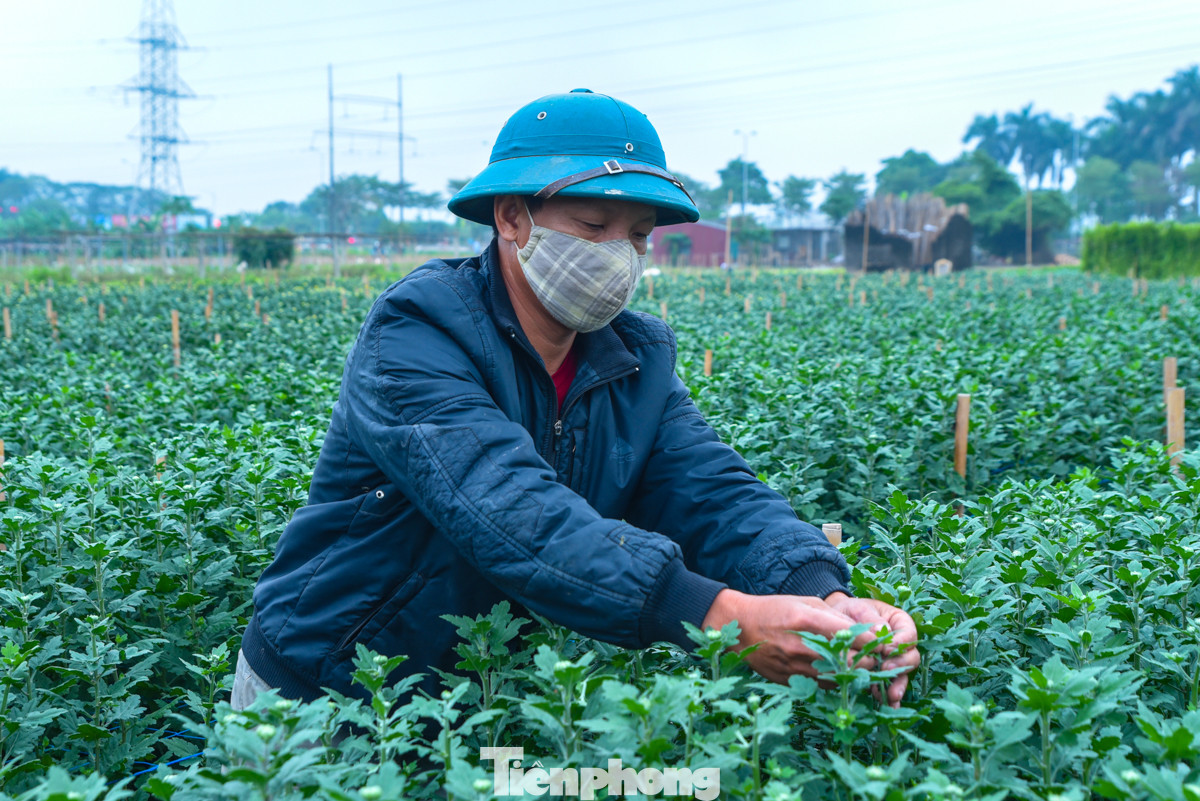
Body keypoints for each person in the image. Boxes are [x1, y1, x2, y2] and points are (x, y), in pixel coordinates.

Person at [233, 89, 919, 712]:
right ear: (512, 217)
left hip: (481, 698)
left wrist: (823, 595)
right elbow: (510, 509)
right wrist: (719, 615)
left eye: (640, 235)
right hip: (325, 697)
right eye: (595, 225)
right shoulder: (419, 331)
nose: (621, 255)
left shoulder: (633, 359)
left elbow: (712, 490)